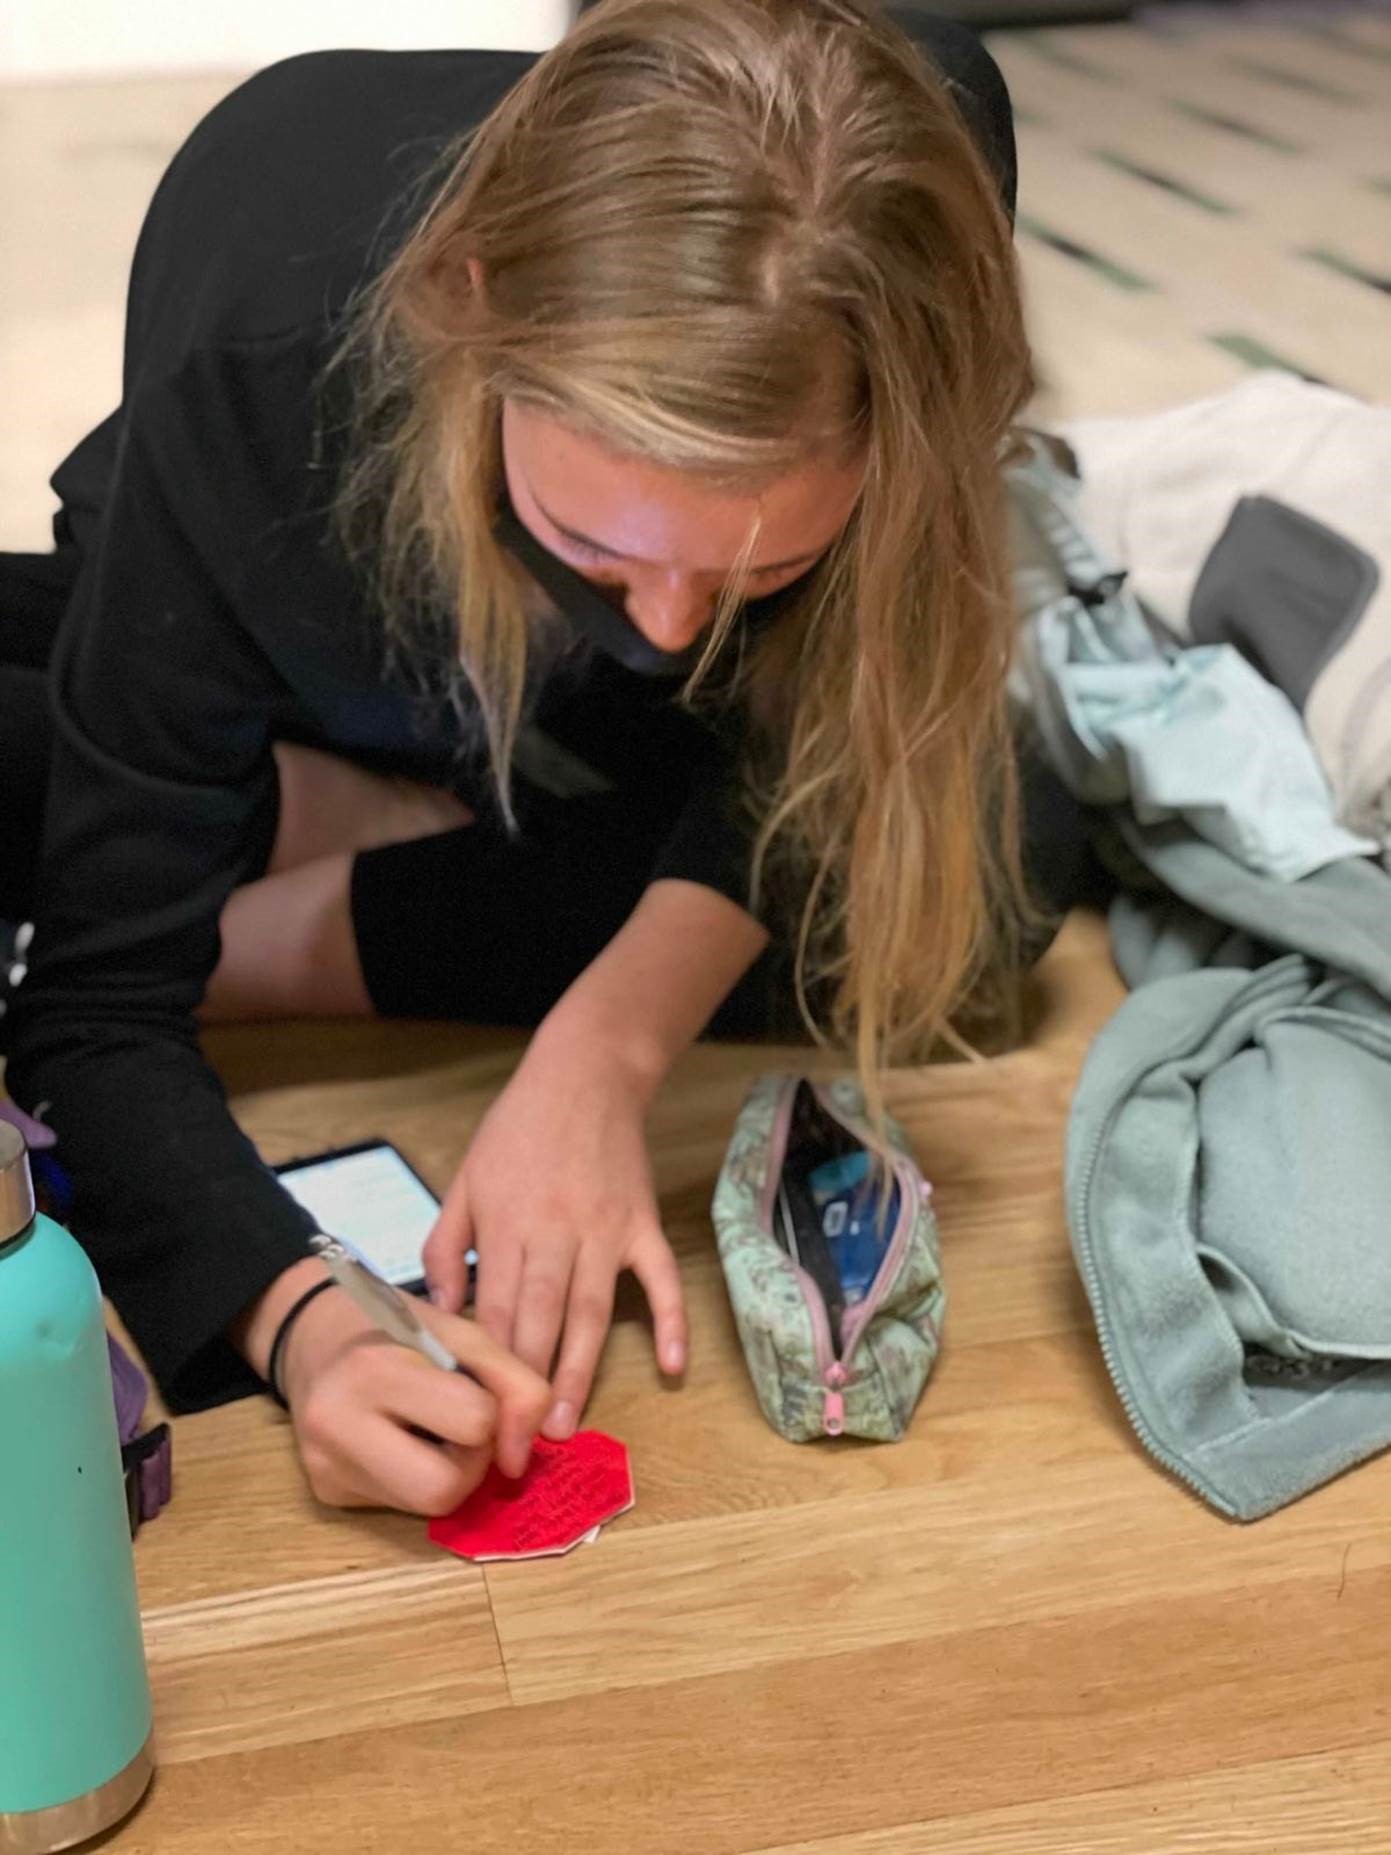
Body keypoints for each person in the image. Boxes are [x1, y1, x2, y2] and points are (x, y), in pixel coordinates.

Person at [1, 0, 1099, 1516]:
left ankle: (292, 890)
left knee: (995, 849)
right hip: (291, 613)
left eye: (755, 570)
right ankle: (330, 809)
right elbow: (99, 1008)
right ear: (468, 309)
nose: (663, 626)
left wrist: (604, 1052)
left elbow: (864, 726)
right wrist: (308, 1323)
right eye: (593, 543)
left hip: (611, 758)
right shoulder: (266, 303)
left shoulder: (919, 183)